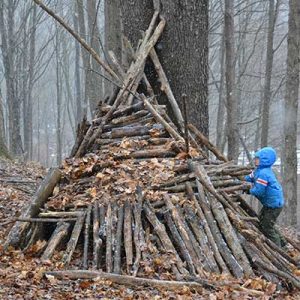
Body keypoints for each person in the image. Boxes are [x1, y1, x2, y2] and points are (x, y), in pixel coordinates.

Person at [244, 146, 286, 248]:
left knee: (267, 226)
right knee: (264, 222)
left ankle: (279, 249)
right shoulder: (258, 170)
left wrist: (249, 190)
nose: (255, 160)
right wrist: (242, 180)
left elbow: (259, 191)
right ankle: (283, 243)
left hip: (274, 205)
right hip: (270, 203)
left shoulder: (264, 174)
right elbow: (249, 177)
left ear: (265, 160)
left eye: (257, 158)